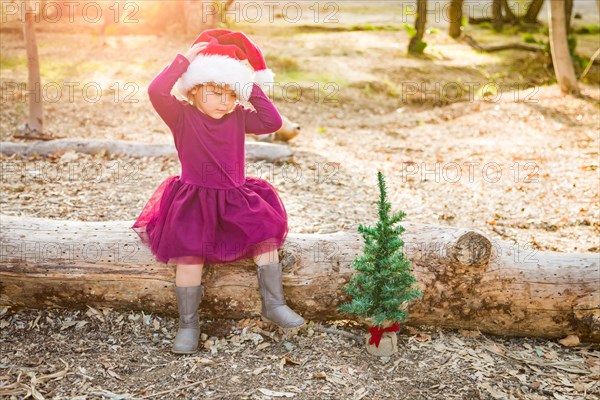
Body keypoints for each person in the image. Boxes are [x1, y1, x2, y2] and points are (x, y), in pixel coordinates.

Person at [131, 29, 304, 355]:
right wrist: (184, 60)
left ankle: (274, 302)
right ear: (193, 90)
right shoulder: (181, 115)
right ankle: (188, 324)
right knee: (190, 258)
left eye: (230, 93)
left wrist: (247, 84)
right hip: (195, 201)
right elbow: (155, 90)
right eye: (214, 91)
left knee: (264, 237)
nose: (224, 101)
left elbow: (272, 120)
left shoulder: (238, 117)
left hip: (236, 197)